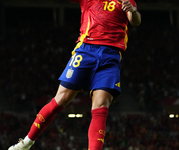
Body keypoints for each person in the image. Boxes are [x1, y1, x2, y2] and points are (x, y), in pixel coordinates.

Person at [8, 0, 141, 149]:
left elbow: (135, 21)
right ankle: (27, 142)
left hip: (111, 56)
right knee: (60, 100)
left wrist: (133, 11)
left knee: (101, 106)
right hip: (85, 51)